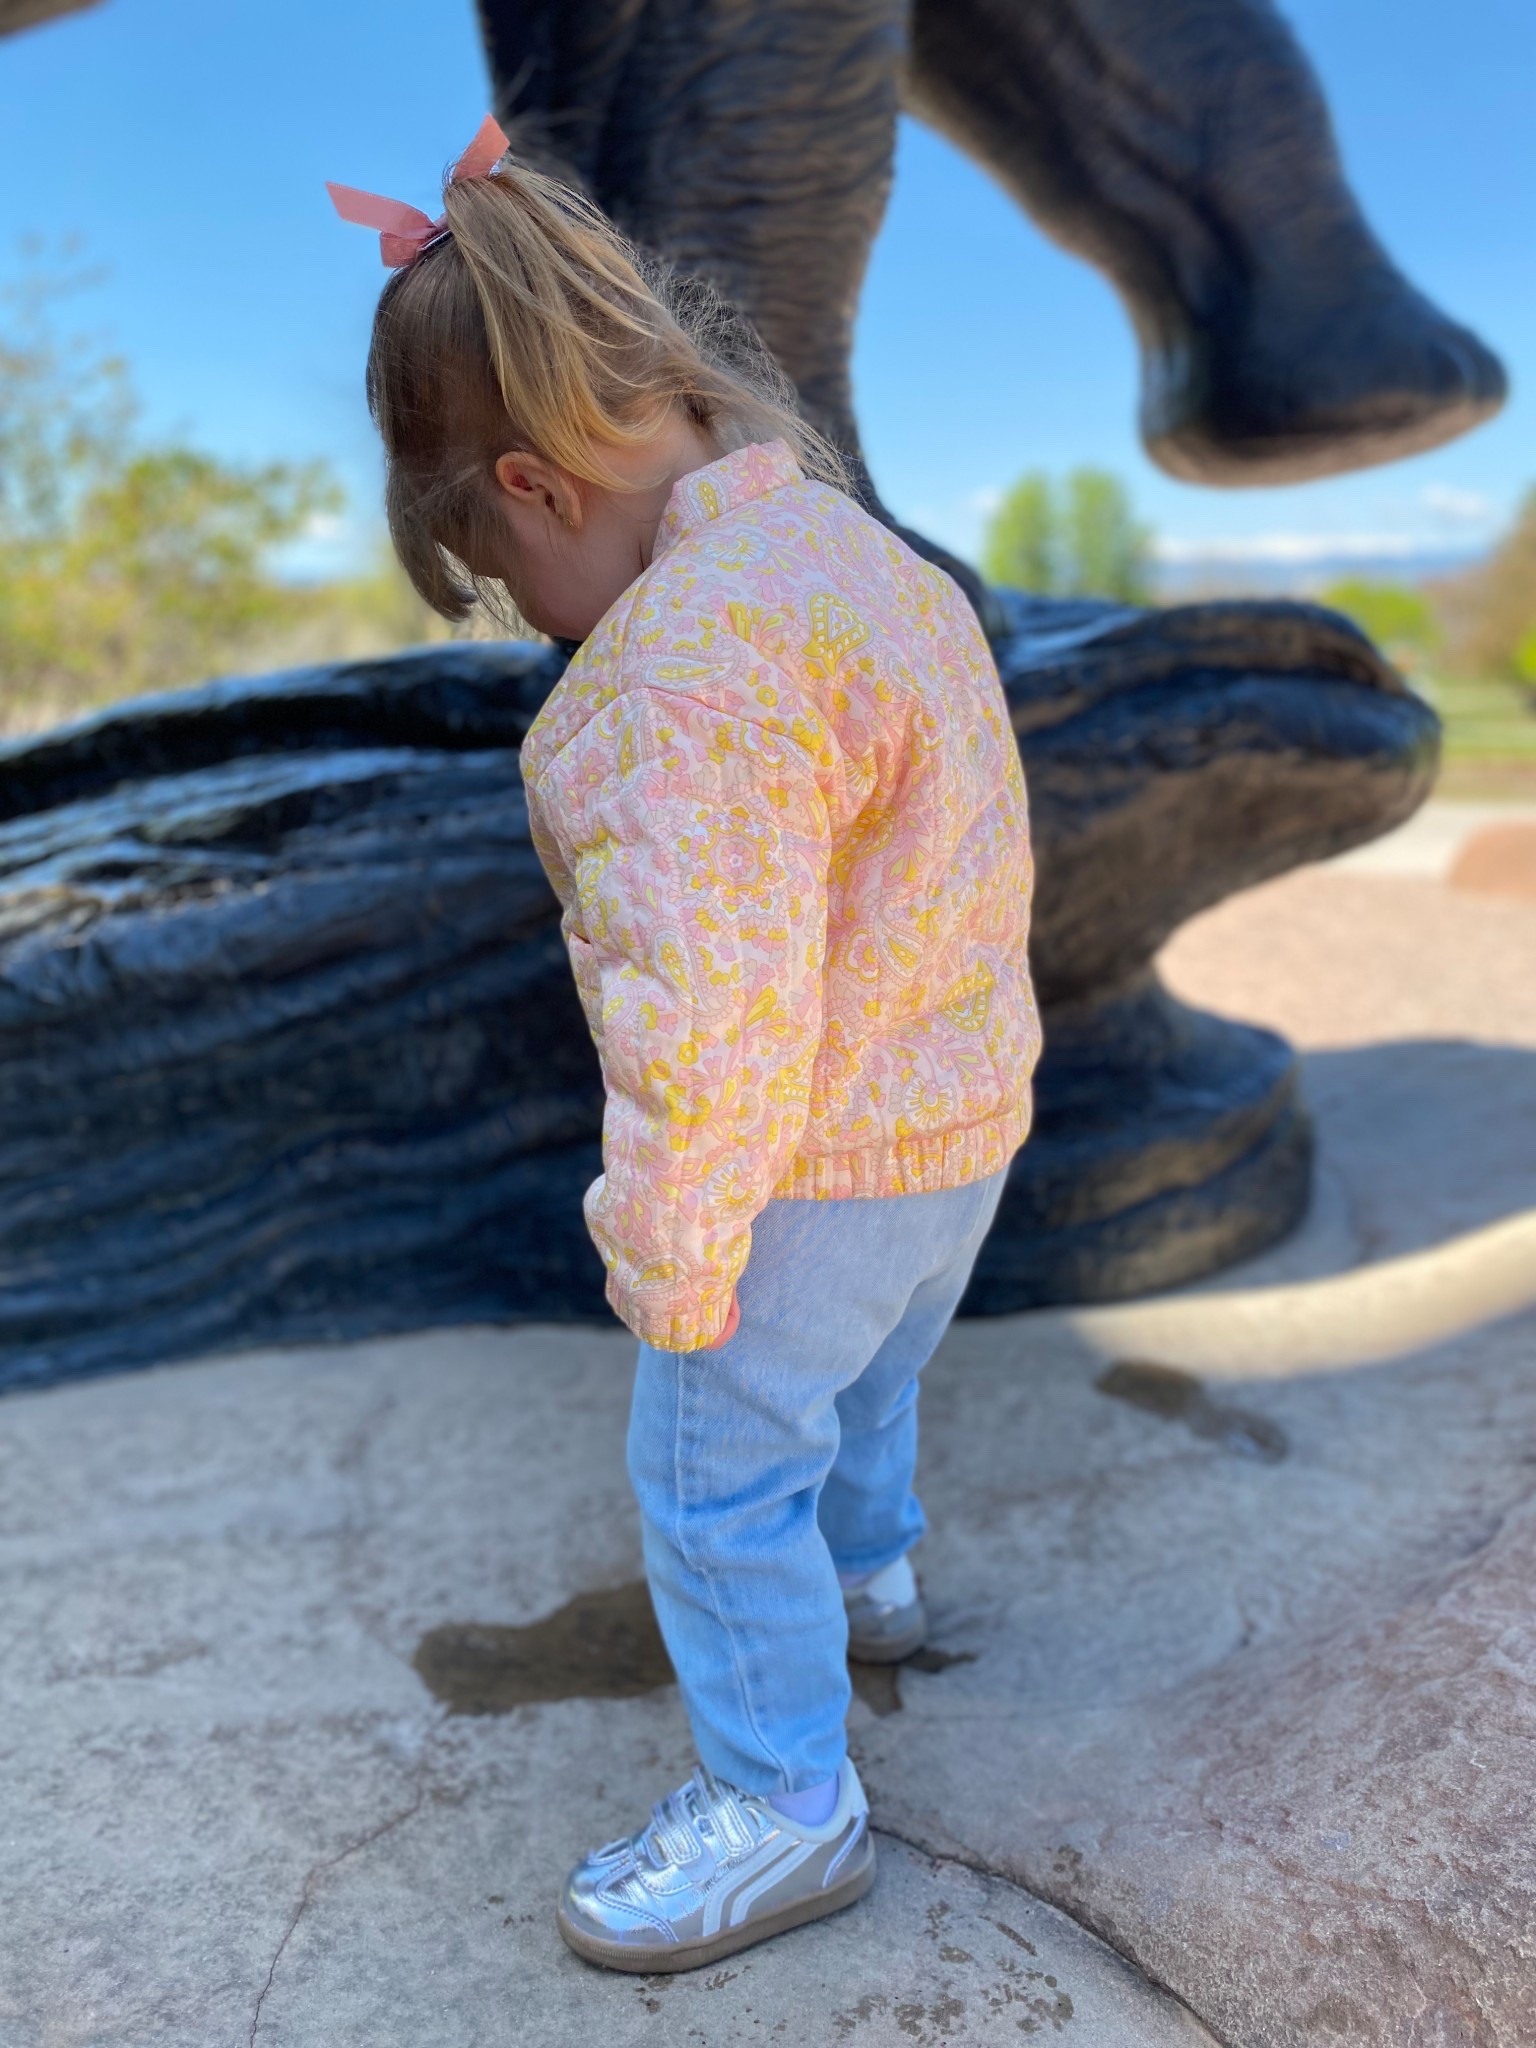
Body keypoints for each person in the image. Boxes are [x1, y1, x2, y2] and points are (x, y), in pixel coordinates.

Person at [330, 116, 1041, 1974]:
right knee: (871, 1387)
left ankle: (782, 1805)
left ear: (533, 486)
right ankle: (875, 1577)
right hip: (956, 1120)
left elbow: (710, 1017)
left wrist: (667, 1256)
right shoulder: (861, 566)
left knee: (718, 1468)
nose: (526, 625)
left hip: (802, 1158)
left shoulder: (679, 674)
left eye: (492, 577)